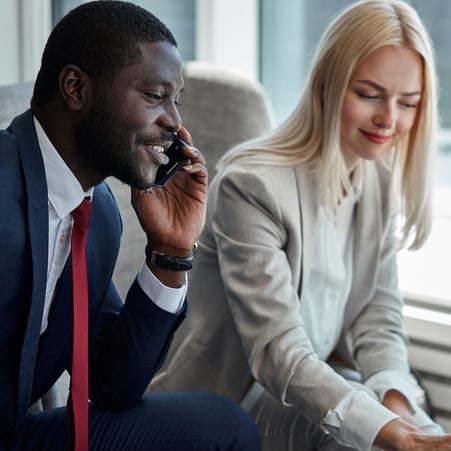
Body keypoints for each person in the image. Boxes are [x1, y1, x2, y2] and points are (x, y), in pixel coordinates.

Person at [148, 0, 451, 450]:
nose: (390, 119)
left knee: (406, 426)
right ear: (327, 85)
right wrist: (389, 432)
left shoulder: (378, 181)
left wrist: (400, 408)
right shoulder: (252, 185)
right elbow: (278, 353)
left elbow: (377, 320)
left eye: (408, 102)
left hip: (300, 394)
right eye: (370, 94)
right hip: (224, 404)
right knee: (360, 432)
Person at [0, 1, 261, 450]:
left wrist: (171, 252)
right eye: (155, 96)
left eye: (176, 101)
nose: (176, 124)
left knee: (224, 427)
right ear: (76, 88)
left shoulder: (97, 215)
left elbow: (112, 386)